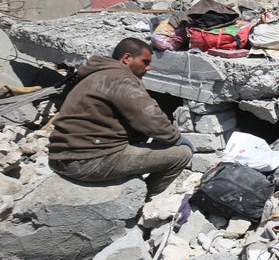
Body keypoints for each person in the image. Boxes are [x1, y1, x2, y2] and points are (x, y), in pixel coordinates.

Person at [48, 37, 194, 199]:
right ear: (126, 58)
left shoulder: (97, 74)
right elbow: (150, 119)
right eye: (145, 62)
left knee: (141, 134)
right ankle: (142, 199)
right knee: (182, 154)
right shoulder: (121, 79)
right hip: (87, 160)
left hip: (62, 156)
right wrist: (176, 138)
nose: (149, 67)